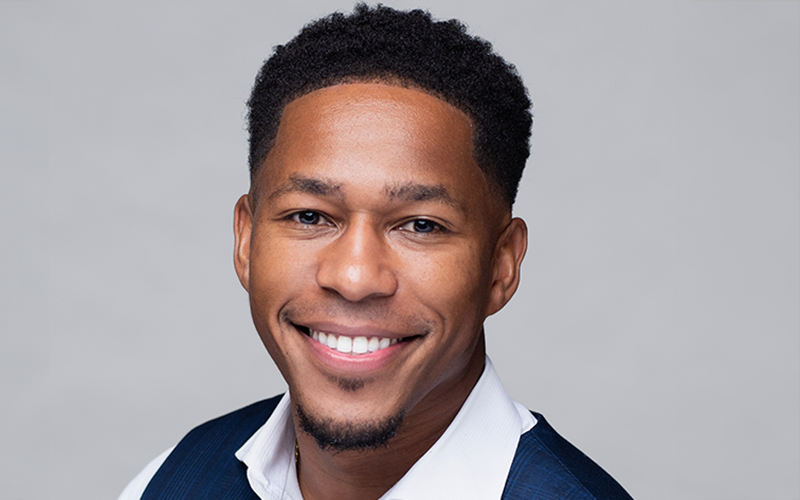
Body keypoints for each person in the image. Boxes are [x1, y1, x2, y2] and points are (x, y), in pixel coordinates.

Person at [119, 5, 634, 499]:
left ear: (502, 265)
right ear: (246, 241)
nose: (356, 276)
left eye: (421, 225)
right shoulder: (165, 483)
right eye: (310, 216)